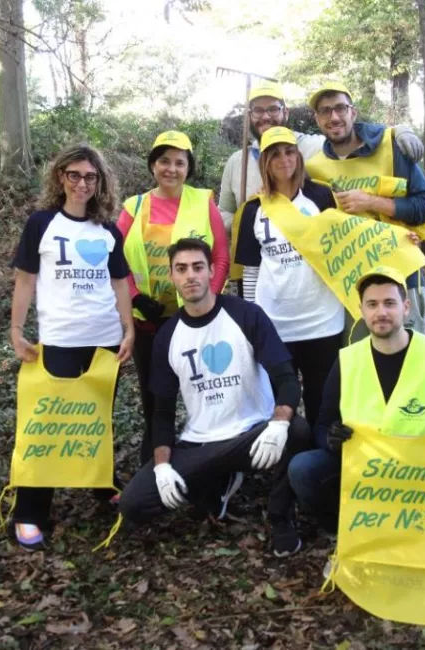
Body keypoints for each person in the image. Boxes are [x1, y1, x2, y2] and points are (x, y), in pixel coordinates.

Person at [119, 238, 311, 556]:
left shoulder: (247, 315)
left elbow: (287, 379)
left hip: (252, 435)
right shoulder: (167, 336)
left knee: (298, 431)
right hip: (201, 444)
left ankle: (281, 518)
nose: (190, 276)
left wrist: (278, 423)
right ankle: (216, 482)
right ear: (172, 276)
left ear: (211, 271)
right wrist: (162, 467)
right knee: (134, 504)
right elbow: (162, 414)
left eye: (197, 267)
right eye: (181, 269)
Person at [287, 266, 425, 566]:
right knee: (303, 468)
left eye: (389, 303)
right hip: (366, 477)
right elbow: (324, 423)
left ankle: (407, 533)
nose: (381, 312)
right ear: (361, 311)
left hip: (424, 478)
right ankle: (345, 528)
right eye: (372, 304)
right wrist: (331, 440)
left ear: (406, 308)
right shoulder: (347, 361)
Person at [10, 143, 135, 551]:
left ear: (101, 183)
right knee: (47, 424)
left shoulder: (107, 230)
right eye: (74, 175)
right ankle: (30, 510)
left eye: (90, 177)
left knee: (97, 417)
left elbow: (119, 284)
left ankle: (100, 483)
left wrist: (128, 328)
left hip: (103, 341)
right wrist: (16, 330)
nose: (82, 183)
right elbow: (26, 280)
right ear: (60, 177)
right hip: (59, 340)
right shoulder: (41, 223)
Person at [117, 131, 229, 464]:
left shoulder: (202, 201)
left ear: (188, 167)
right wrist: (135, 298)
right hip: (149, 320)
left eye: (180, 162)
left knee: (203, 389)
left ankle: (205, 458)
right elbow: (114, 258)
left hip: (194, 318)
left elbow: (220, 257)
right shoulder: (134, 207)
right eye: (164, 161)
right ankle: (153, 458)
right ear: (153, 165)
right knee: (155, 394)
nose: (171, 169)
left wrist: (207, 300)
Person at [305, 82, 425, 338]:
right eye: (325, 111)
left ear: (353, 113)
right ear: (317, 120)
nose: (334, 117)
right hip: (350, 284)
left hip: (402, 277)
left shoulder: (391, 148)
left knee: (408, 358)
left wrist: (371, 202)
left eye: (340, 108)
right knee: (360, 362)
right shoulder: (314, 168)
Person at [234, 126, 343, 429]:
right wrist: (252, 322)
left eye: (290, 151)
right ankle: (284, 464)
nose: (284, 159)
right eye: (275, 154)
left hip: (324, 320)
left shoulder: (321, 196)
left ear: (299, 155)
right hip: (275, 323)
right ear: (265, 162)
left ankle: (321, 462)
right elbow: (251, 270)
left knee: (324, 400)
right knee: (279, 401)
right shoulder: (253, 209)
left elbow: (345, 247)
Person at [218, 80, 424, 233]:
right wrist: (246, 222)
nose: (265, 116)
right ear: (249, 116)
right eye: (258, 110)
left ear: (286, 113)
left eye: (273, 109)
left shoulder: (314, 148)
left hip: (308, 260)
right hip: (253, 263)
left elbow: (347, 134)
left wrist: (397, 130)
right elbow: (223, 212)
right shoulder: (237, 162)